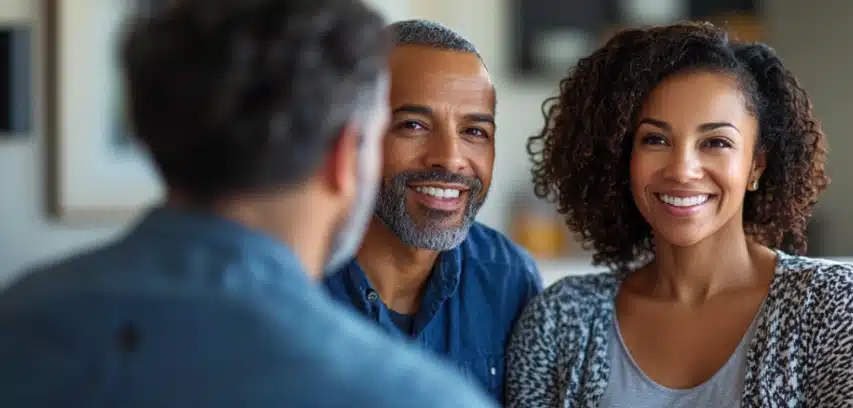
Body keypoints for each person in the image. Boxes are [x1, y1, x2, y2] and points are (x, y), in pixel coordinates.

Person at [0, 1, 498, 407]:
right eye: (406, 125)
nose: (450, 157)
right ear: (347, 154)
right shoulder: (415, 396)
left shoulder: (19, 321)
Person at [506, 21, 853, 407]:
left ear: (756, 166)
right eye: (655, 139)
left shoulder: (837, 306)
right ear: (621, 159)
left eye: (715, 142)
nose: (682, 169)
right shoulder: (559, 321)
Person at [322, 19, 543, 401]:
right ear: (352, 136)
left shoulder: (508, 279)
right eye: (413, 125)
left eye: (474, 131)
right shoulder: (295, 278)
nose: (450, 159)